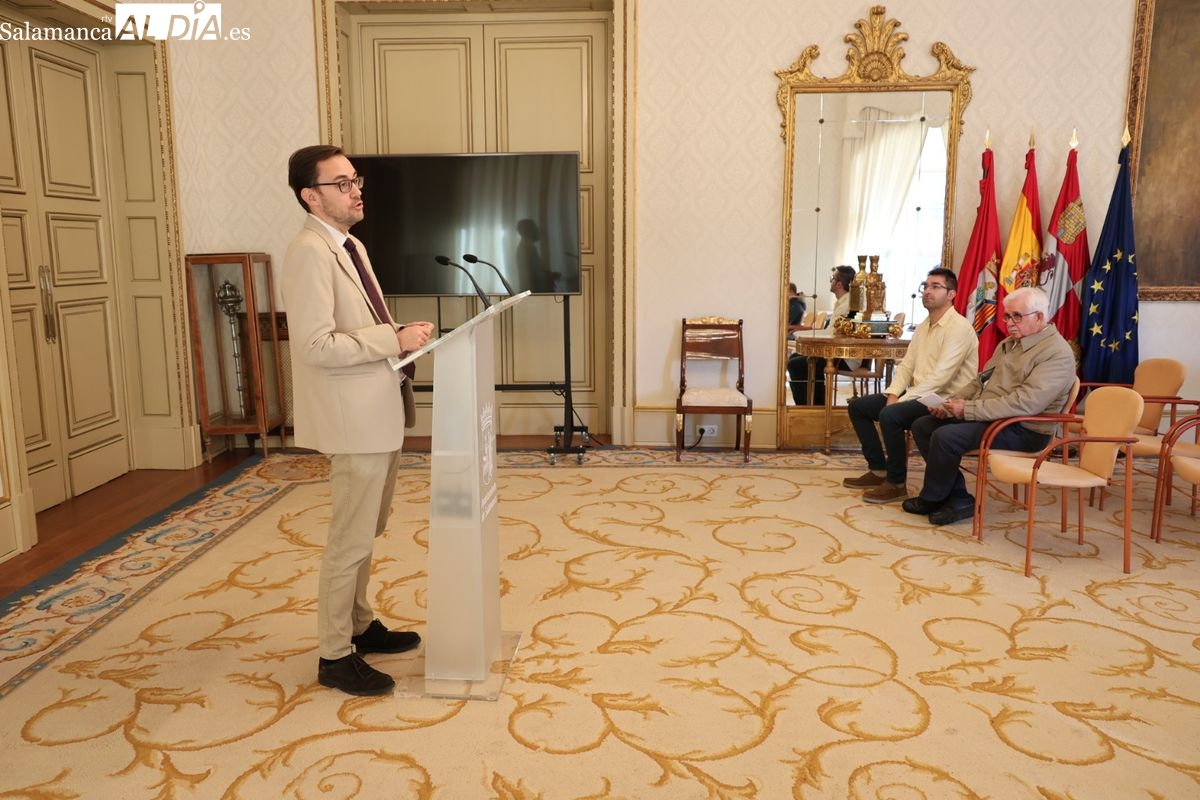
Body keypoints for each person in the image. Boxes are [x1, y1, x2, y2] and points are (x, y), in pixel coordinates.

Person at [283, 144, 435, 696]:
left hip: (379, 408)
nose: (356, 191)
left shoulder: (351, 245)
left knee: (368, 529)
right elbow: (316, 345)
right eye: (342, 183)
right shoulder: (308, 252)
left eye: (356, 180)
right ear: (311, 195)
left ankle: (360, 624)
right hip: (353, 419)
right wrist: (390, 340)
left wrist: (399, 344)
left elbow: (366, 323)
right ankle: (333, 654)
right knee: (349, 537)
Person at [904, 286, 1076, 525]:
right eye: (1007, 316)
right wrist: (949, 403)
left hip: (1025, 429)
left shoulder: (1057, 354)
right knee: (923, 425)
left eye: (1017, 316)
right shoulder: (1010, 343)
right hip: (994, 417)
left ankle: (935, 497)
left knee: (946, 437)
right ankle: (957, 496)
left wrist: (967, 410)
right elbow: (980, 382)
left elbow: (1025, 404)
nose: (1010, 322)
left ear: (1039, 317)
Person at [843, 267, 978, 504]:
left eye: (936, 287)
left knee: (890, 416)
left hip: (944, 398)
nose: (927, 291)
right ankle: (879, 470)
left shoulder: (959, 328)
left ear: (951, 295)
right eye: (925, 286)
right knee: (858, 407)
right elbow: (906, 366)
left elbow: (941, 377)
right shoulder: (925, 325)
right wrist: (894, 393)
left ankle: (896, 483)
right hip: (920, 393)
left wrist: (901, 402)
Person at [787, 265, 856, 405]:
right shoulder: (842, 302)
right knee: (795, 358)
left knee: (794, 364)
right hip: (834, 351)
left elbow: (832, 334)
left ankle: (807, 406)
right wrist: (802, 334)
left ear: (839, 284)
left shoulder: (847, 304)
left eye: (832, 278)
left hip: (842, 355)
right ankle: (814, 404)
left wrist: (800, 334)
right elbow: (830, 332)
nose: (830, 281)